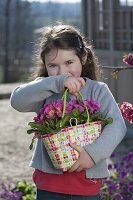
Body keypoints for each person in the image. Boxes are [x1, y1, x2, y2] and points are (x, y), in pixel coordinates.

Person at [10, 24, 127, 200]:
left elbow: (117, 125)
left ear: (84, 57)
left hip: (86, 184)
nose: (62, 72)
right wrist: (54, 83)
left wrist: (91, 154)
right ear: (45, 65)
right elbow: (17, 101)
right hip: (49, 185)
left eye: (69, 63)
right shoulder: (45, 90)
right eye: (53, 65)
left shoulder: (98, 90)